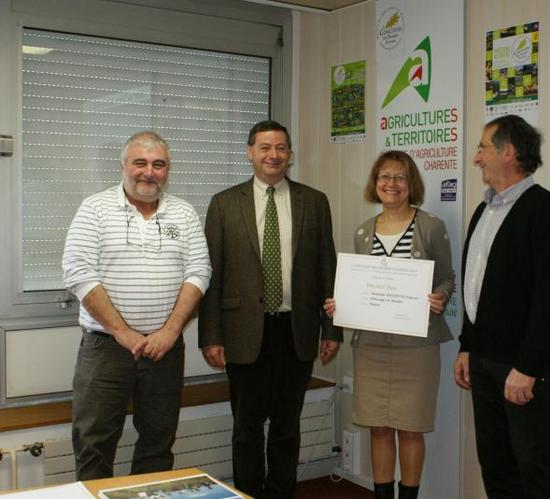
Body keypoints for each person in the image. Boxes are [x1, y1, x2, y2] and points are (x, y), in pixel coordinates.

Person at [198, 120, 342, 499]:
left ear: (290, 154)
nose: (273, 155)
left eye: (280, 147)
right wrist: (210, 335)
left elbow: (328, 268)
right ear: (250, 152)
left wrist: (332, 329)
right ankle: (247, 494)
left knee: (286, 426)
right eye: (264, 147)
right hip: (243, 332)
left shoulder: (314, 201)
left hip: (297, 330)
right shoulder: (224, 203)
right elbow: (211, 274)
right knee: (246, 428)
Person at [62, 131, 212, 480]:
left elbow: (199, 271)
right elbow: (78, 272)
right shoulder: (95, 209)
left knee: (158, 444)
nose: (149, 172)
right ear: (123, 166)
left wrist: (170, 331)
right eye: (140, 163)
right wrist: (124, 333)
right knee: (94, 443)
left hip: (165, 350)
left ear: (168, 169)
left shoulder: (184, 213)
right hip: (105, 348)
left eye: (158, 164)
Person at [453, 115, 550, 499]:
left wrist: (528, 367)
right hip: (484, 362)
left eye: (482, 148)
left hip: (521, 367)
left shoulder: (546, 212)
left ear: (508, 152)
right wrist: (467, 346)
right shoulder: (484, 211)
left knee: (532, 466)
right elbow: (476, 287)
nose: (476, 158)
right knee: (496, 464)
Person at [324, 150, 454, 499]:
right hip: (372, 346)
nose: (391, 184)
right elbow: (360, 287)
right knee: (379, 428)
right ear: (375, 183)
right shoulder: (364, 232)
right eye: (384, 177)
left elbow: (446, 278)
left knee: (410, 429)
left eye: (399, 177)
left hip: (416, 346)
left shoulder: (430, 226)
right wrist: (343, 304)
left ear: (411, 183)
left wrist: (440, 298)